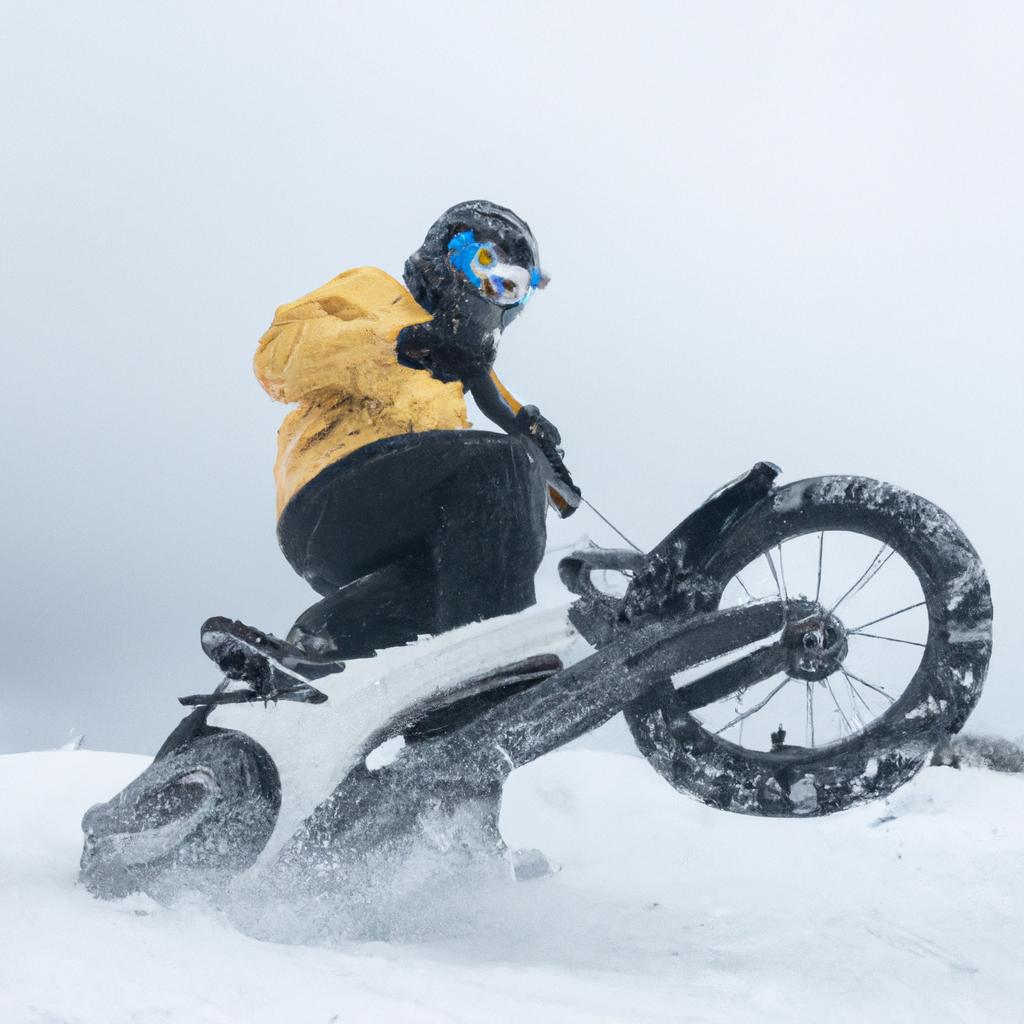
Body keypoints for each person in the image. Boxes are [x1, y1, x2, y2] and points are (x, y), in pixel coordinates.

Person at [202, 201, 579, 690]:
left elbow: (503, 406)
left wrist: (540, 451)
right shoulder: (377, 294)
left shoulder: (457, 370)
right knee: (498, 465)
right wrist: (398, 340)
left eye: (507, 287)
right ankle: (489, 661)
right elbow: (276, 359)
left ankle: (320, 651)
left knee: (450, 583)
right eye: (484, 266)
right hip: (335, 488)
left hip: (390, 528)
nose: (489, 291)